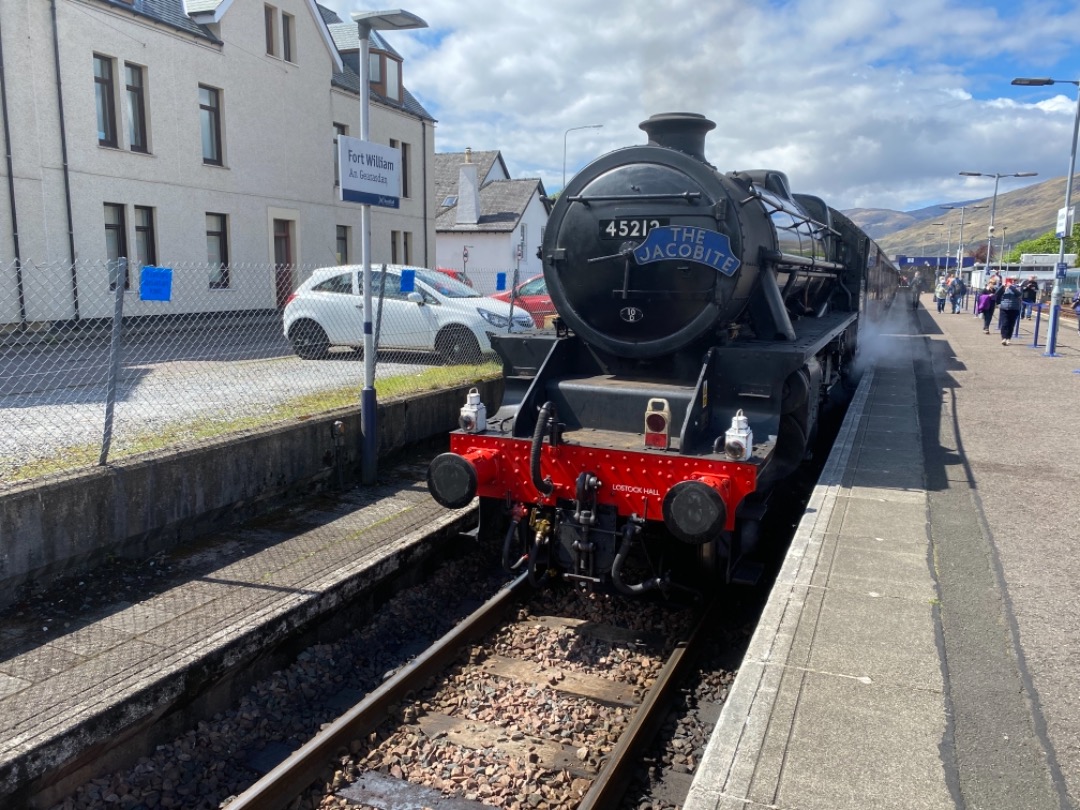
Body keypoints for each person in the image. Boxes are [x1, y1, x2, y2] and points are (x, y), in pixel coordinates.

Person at [995, 277, 1023, 345]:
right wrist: (1002, 286)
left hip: (1014, 308)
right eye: (1011, 280)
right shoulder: (1004, 288)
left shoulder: (1018, 287)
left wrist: (1011, 286)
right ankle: (1004, 338)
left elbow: (1019, 294)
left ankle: (1008, 338)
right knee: (1004, 323)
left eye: (1014, 280)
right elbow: (997, 293)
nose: (1013, 281)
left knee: (1011, 324)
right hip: (1004, 308)